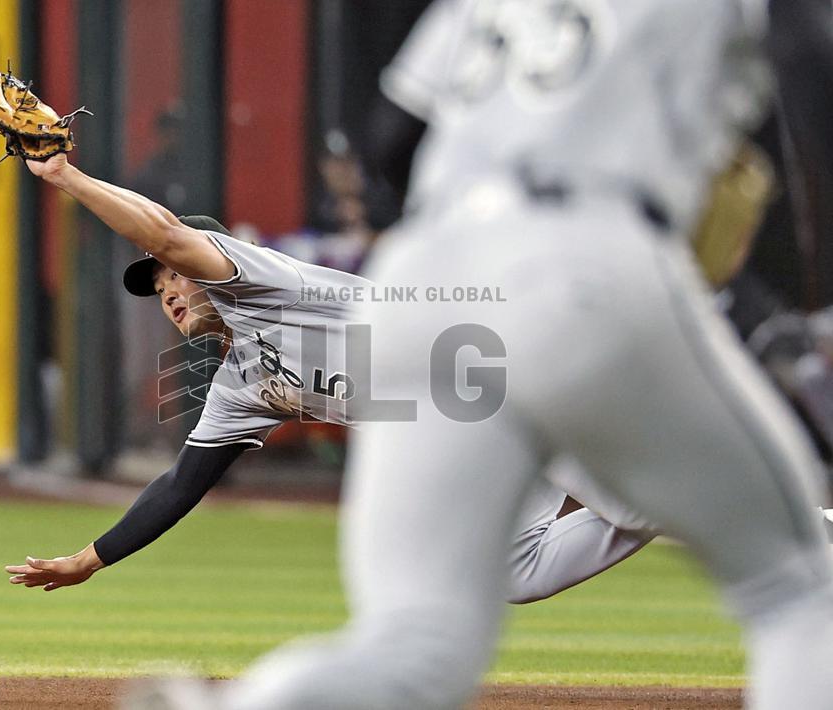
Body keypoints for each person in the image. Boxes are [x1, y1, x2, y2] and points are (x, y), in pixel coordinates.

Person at [142, 1, 833, 708]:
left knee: (416, 641)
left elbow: (390, 143)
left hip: (424, 281)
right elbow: (811, 60)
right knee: (795, 587)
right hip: (589, 252)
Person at [4, 153, 655, 605]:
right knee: (519, 568)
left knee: (635, 502)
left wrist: (66, 177)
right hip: (467, 427)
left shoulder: (258, 281)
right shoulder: (239, 385)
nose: (168, 291)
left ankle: (690, 491)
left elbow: (167, 233)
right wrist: (90, 559)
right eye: (157, 288)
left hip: (500, 368)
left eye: (174, 274)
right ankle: (672, 499)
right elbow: (182, 482)